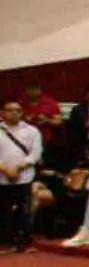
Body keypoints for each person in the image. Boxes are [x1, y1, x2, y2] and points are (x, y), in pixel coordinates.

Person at [0, 101, 43, 251]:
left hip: (24, 176)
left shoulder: (32, 131)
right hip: (2, 176)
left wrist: (19, 168)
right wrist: (5, 170)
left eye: (18, 110)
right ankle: (6, 241)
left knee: (24, 210)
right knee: (4, 210)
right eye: (10, 110)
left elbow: (36, 153)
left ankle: (23, 241)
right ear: (2, 113)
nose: (14, 113)